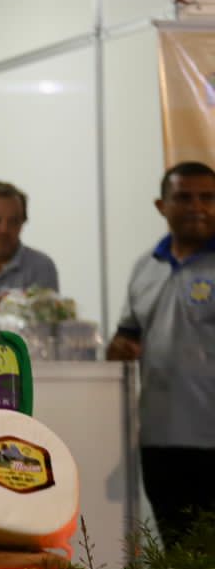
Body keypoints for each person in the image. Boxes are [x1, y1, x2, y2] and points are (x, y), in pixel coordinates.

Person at [105, 161, 215, 548]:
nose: (196, 207)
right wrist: (117, 348)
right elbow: (126, 337)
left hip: (211, 436)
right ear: (161, 205)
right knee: (177, 551)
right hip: (160, 437)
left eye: (207, 197)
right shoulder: (144, 268)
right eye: (184, 197)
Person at [0, 181, 61, 317]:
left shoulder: (41, 267)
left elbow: (49, 324)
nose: (4, 229)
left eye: (14, 221)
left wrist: (20, 308)